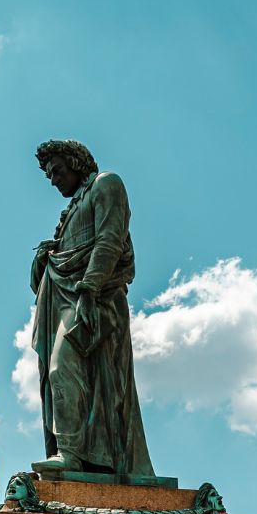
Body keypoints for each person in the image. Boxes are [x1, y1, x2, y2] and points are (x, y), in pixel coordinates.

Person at [29, 139, 154, 478]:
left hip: (96, 300)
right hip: (69, 298)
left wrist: (88, 288)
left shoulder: (106, 184)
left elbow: (110, 238)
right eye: (49, 175)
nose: (53, 180)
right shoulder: (68, 214)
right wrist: (46, 257)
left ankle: (69, 454)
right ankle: (81, 456)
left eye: (57, 171)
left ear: (75, 162)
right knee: (73, 379)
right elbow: (52, 273)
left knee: (61, 368)